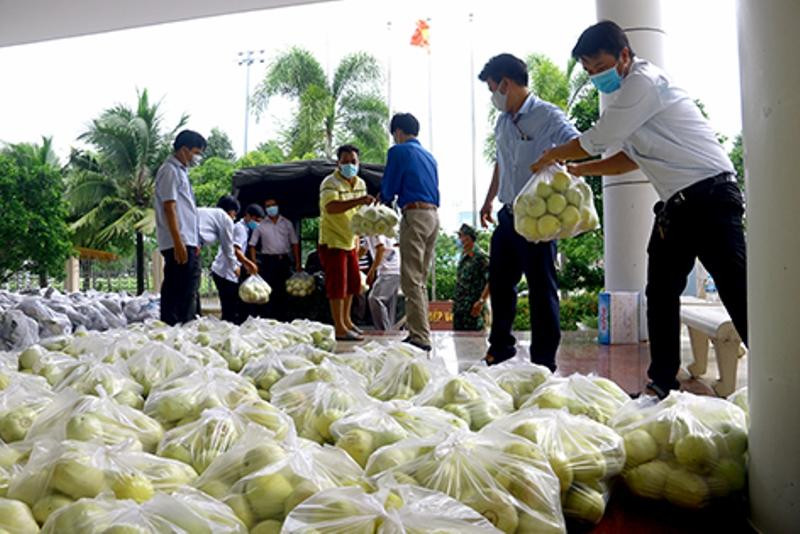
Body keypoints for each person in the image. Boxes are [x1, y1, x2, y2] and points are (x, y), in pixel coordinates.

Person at [531, 20, 747, 398]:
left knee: (736, 289)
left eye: (600, 67)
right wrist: (581, 169)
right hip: (675, 207)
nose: (596, 77)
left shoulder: (644, 83)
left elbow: (598, 139)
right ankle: (660, 384)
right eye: (589, 71)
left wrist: (553, 154)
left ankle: (782, 370)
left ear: (625, 55)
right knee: (660, 294)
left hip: (711, 197)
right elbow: (628, 157)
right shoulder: (628, 98)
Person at [478, 54, 580, 370]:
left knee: (540, 289)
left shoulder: (547, 115)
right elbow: (502, 162)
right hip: (509, 214)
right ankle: (501, 347)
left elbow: (577, 142)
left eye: (493, 88)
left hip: (539, 220)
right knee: (500, 283)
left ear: (506, 84)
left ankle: (543, 360)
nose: (493, 96)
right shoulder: (502, 122)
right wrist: (488, 199)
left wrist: (554, 156)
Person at [381, 113, 440, 352]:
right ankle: (419, 330)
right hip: (433, 217)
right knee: (420, 279)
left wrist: (382, 199)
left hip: (414, 215)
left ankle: (420, 336)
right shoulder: (429, 156)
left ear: (397, 132)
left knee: (411, 279)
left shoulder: (399, 151)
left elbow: (389, 187)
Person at [318, 144, 374, 341]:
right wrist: (358, 201)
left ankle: (347, 321)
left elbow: (359, 215)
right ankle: (339, 327)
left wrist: (359, 237)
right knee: (337, 286)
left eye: (353, 162)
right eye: (345, 161)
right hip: (333, 241)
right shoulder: (330, 183)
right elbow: (331, 207)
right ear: (338, 163)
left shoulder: (360, 183)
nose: (350, 165)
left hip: (351, 240)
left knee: (352, 284)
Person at [154, 129, 206, 326]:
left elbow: (186, 210)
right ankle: (176, 327)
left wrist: (195, 240)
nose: (197, 157)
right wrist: (178, 242)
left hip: (187, 240)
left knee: (187, 288)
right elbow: (170, 207)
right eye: (196, 152)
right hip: (179, 242)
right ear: (184, 150)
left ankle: (182, 327)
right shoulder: (169, 171)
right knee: (180, 289)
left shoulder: (181, 172)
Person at [198, 196, 258, 323]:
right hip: (225, 272)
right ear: (231, 211)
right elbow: (232, 249)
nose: (234, 217)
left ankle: (228, 330)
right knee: (230, 307)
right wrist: (241, 266)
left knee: (230, 306)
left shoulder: (209, 216)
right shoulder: (233, 224)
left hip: (223, 271)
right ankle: (227, 332)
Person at [248, 198, 300, 321]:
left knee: (285, 291)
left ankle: (284, 318)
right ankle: (270, 319)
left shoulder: (287, 223)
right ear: (265, 209)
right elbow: (252, 245)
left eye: (273, 205)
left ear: (278, 206)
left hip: (284, 260)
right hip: (268, 261)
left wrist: (298, 263)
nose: (271, 208)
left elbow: (295, 244)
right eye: (268, 206)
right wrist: (253, 263)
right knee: (269, 291)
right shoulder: (261, 226)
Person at [453, 224, 490, 331]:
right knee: (459, 345)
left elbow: (491, 281)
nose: (459, 239)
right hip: (460, 310)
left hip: (474, 311)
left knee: (476, 344)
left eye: (461, 236)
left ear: (468, 238)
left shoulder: (481, 257)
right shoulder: (463, 256)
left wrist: (481, 301)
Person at [235, 204, 264, 323]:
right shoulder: (240, 229)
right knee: (237, 304)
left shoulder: (247, 228)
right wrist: (248, 264)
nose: (257, 224)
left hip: (238, 267)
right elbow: (236, 250)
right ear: (247, 216)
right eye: (256, 220)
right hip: (231, 269)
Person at [366, 234, 401, 330]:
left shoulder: (375, 228)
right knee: (389, 306)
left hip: (389, 270)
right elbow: (363, 248)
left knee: (375, 299)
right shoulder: (369, 233)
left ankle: (384, 331)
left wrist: (372, 270)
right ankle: (389, 332)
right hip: (395, 269)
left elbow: (380, 249)